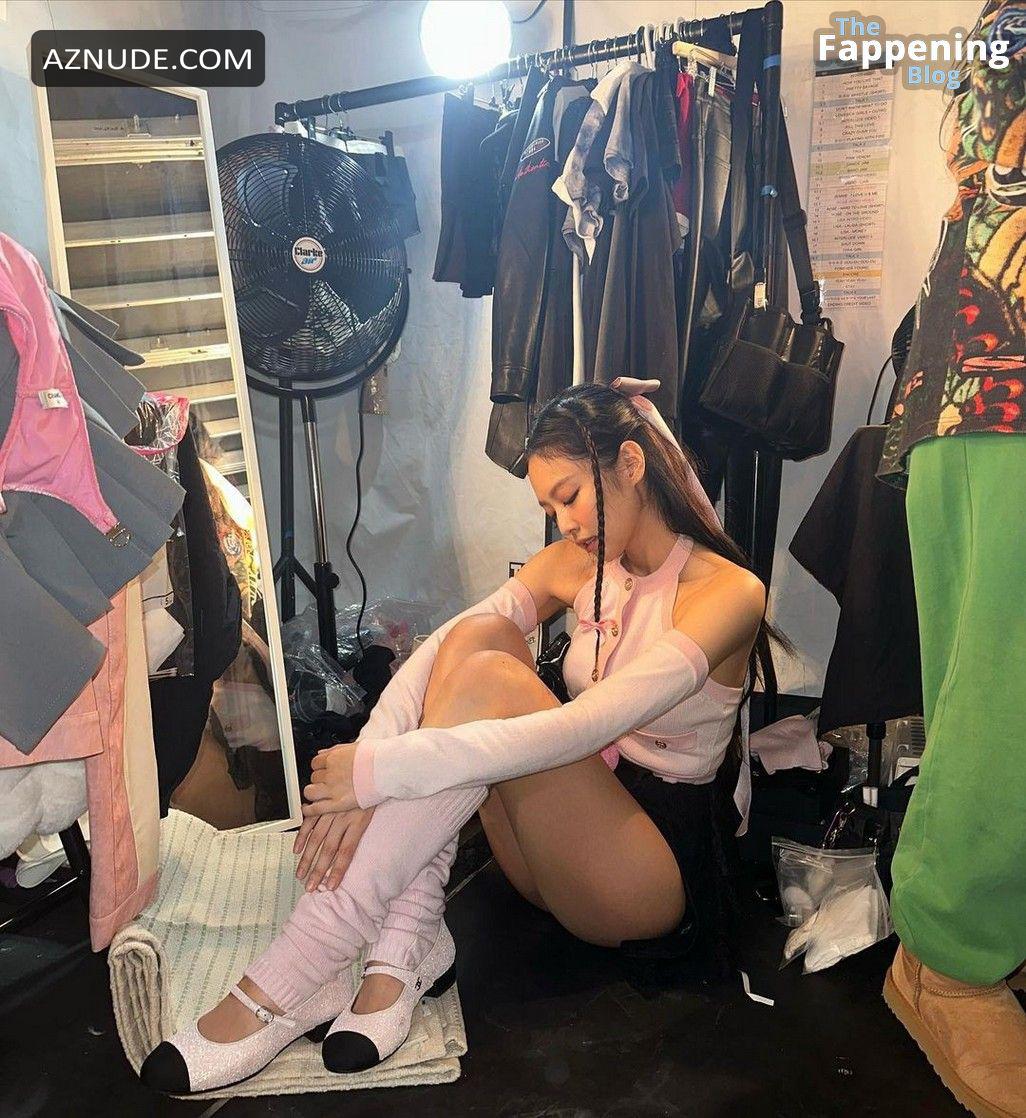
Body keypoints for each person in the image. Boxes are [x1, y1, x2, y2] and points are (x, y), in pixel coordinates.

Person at [140, 379, 775, 1095]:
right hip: (561, 839)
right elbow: (449, 644)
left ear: (631, 463)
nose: (565, 524)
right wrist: (369, 762)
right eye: (549, 508)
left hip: (646, 876)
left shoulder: (729, 593)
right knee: (479, 638)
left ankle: (311, 954)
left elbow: (587, 724)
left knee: (494, 682)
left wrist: (385, 771)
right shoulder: (581, 563)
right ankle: (406, 941)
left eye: (570, 496)